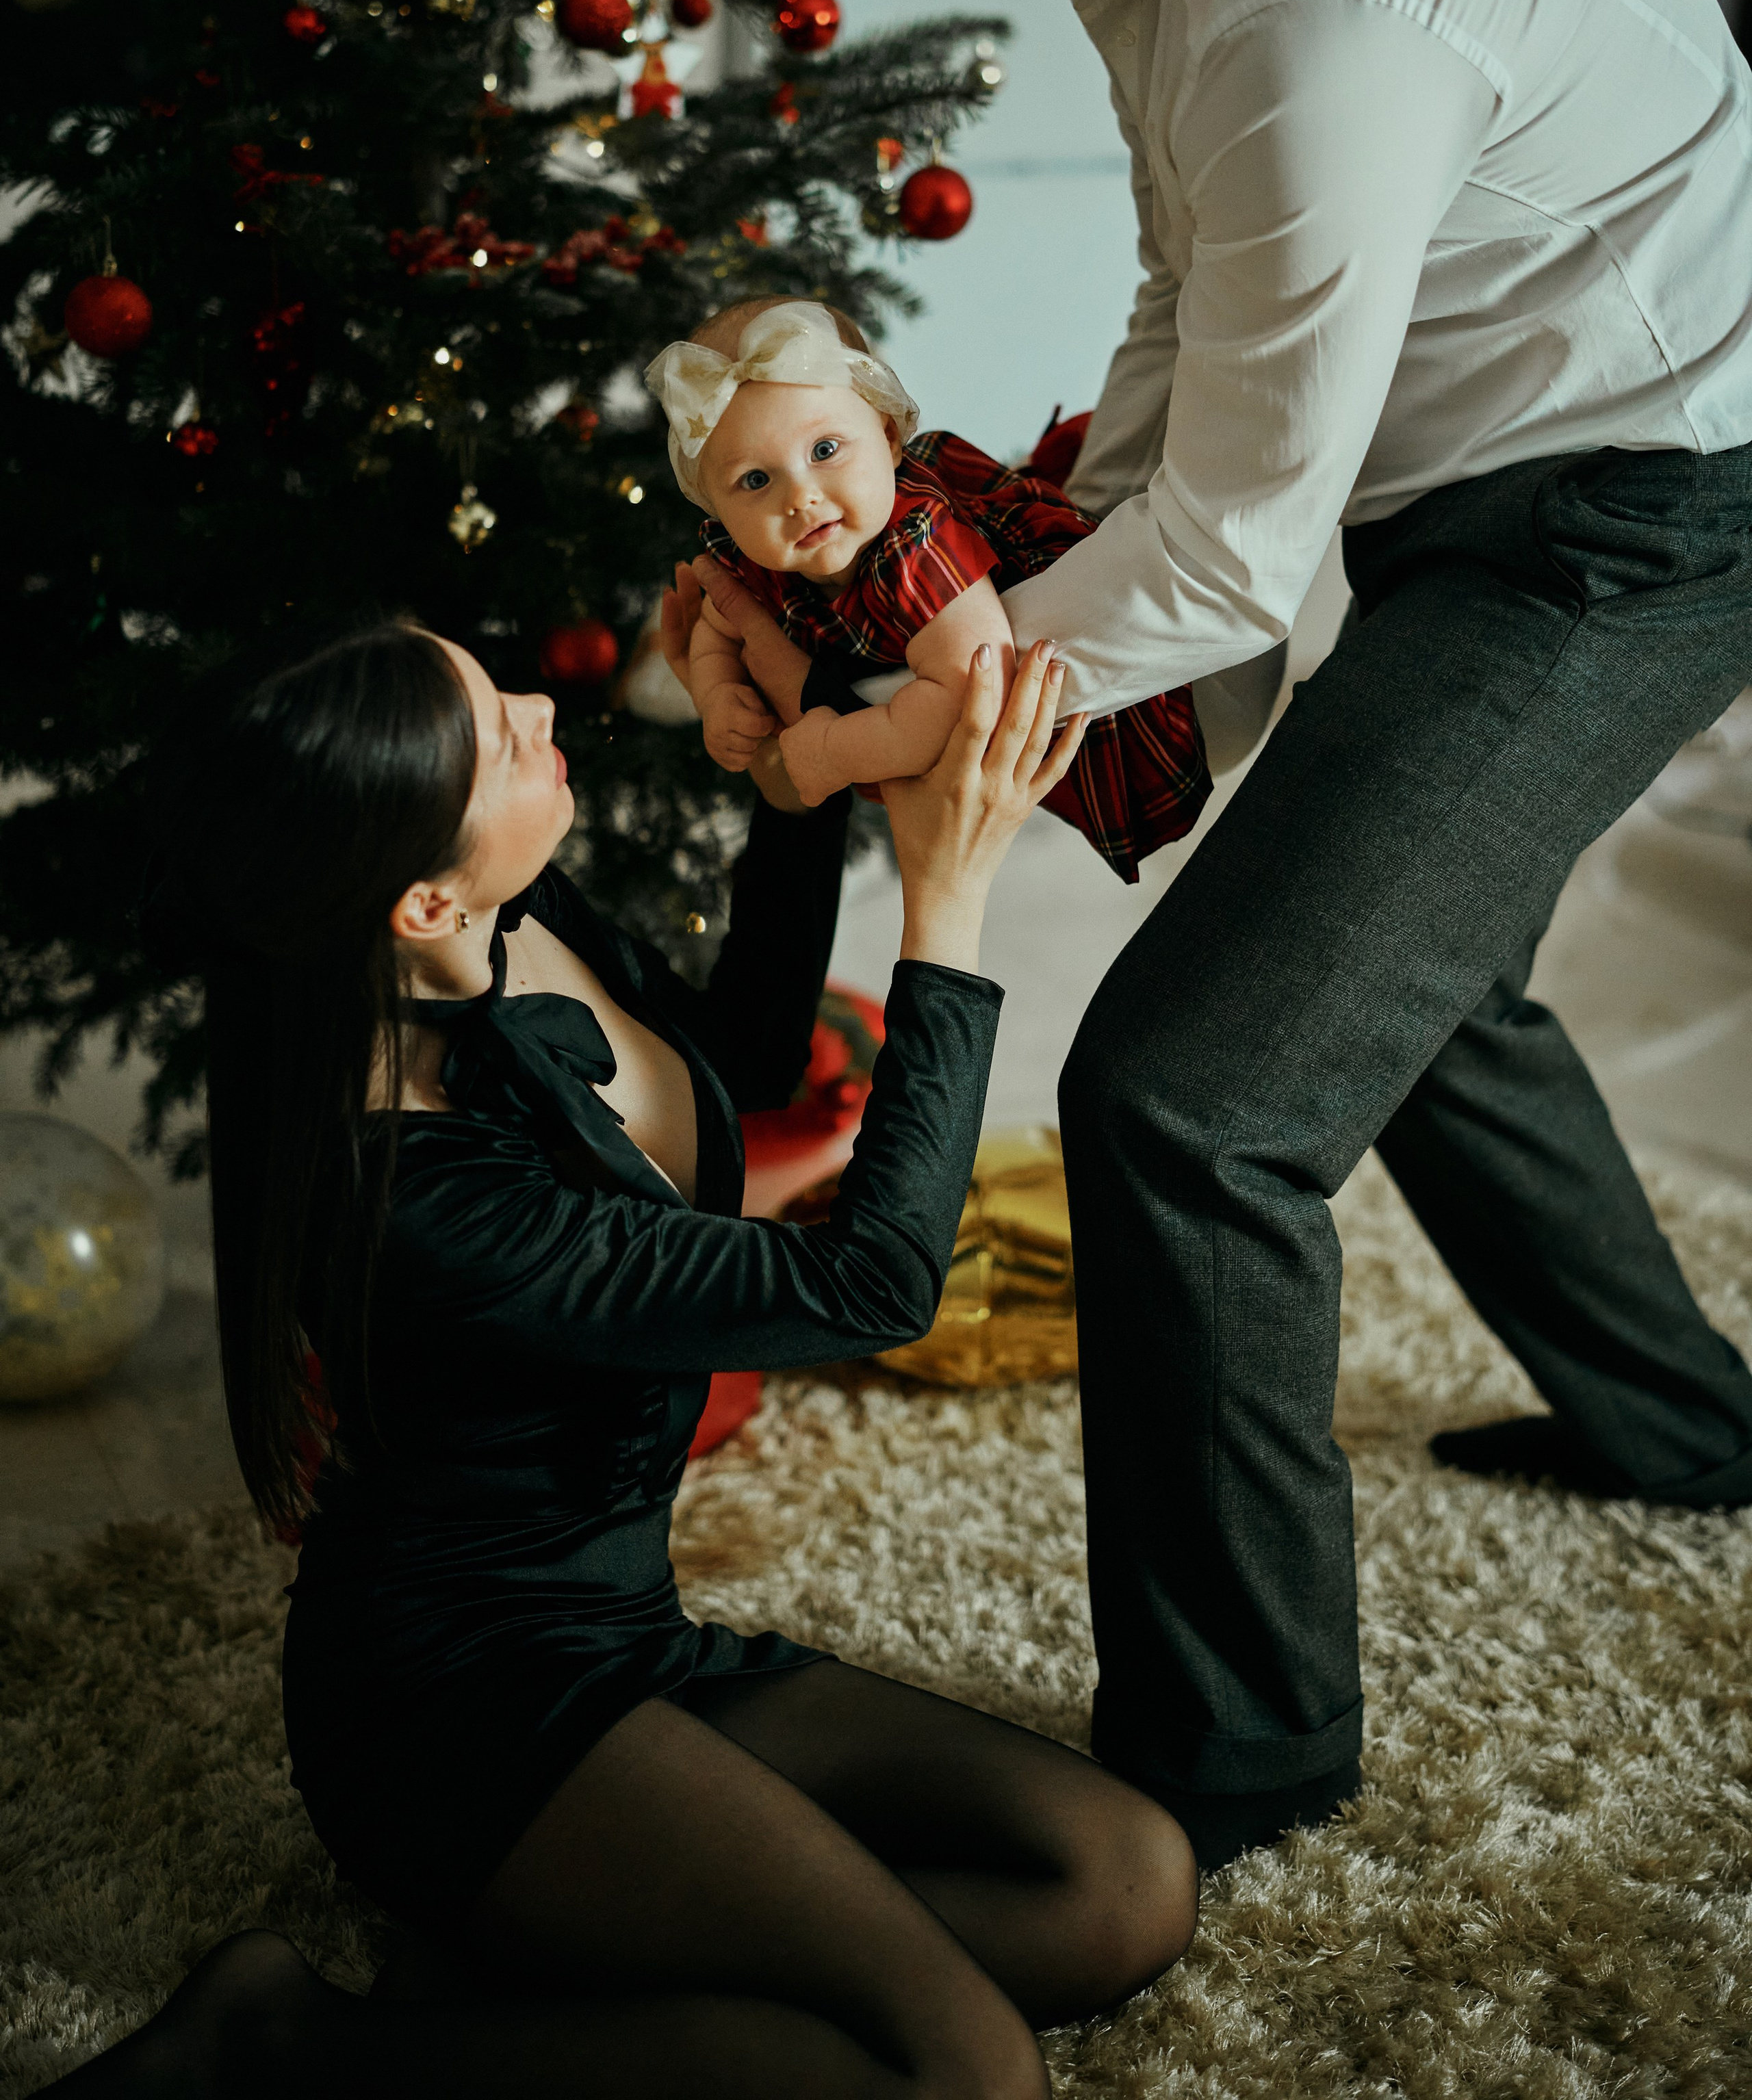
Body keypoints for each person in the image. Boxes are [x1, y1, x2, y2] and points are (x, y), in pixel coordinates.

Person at [799, 0, 1752, 1871]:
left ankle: (1237, 1754)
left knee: (1192, 1098)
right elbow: (1187, 292)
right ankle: (1693, 1436)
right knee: (1417, 986)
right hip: (1478, 474)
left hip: (1639, 510)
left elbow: (1233, 555)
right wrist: (1029, 579)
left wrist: (925, 702)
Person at [55, 608, 1194, 2098]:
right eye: (498, 736)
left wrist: (803, 775)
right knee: (964, 2078)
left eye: (496, 690)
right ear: (417, 899)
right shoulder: (416, 1199)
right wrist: (946, 904)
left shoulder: (503, 916)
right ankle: (289, 2043)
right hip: (463, 1717)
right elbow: (869, 1285)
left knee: (1122, 1882)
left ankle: (577, 1968)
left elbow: (743, 1058)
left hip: (627, 1633)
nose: (541, 704)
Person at [648, 291, 1208, 877]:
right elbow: (718, 629)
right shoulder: (750, 559)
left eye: (824, 450)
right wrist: (717, 694)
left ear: (889, 436)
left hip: (1119, 689)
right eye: (755, 480)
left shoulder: (917, 548)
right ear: (713, 505)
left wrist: (835, 751)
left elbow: (968, 699)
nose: (800, 497)